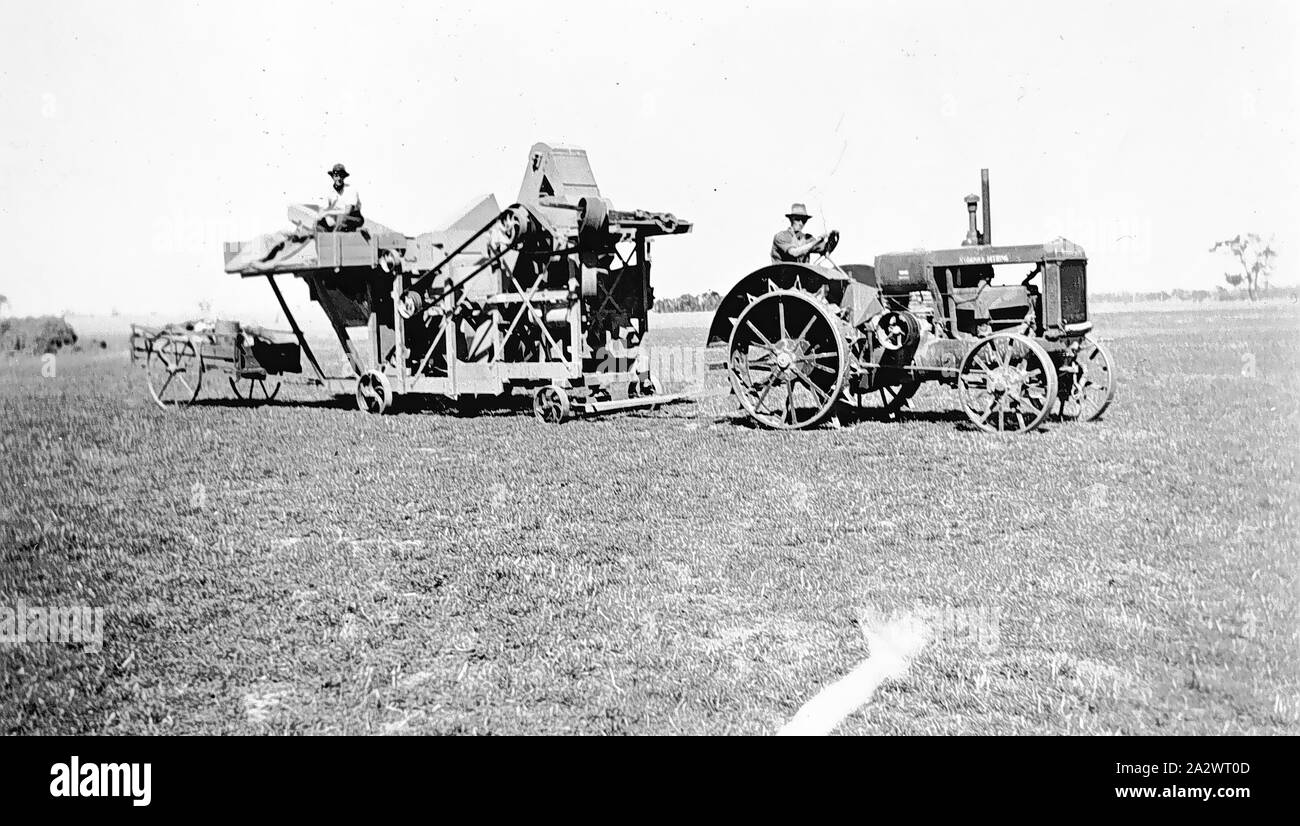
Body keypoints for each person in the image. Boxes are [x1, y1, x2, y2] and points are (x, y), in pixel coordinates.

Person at [317, 163, 363, 232]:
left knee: (341, 219)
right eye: (336, 175)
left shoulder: (351, 190)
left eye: (341, 175)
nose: (339, 178)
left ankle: (335, 237)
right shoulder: (329, 191)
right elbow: (322, 211)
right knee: (320, 223)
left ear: (344, 177)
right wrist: (325, 215)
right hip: (337, 217)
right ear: (333, 177)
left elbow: (347, 211)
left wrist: (328, 213)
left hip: (353, 218)